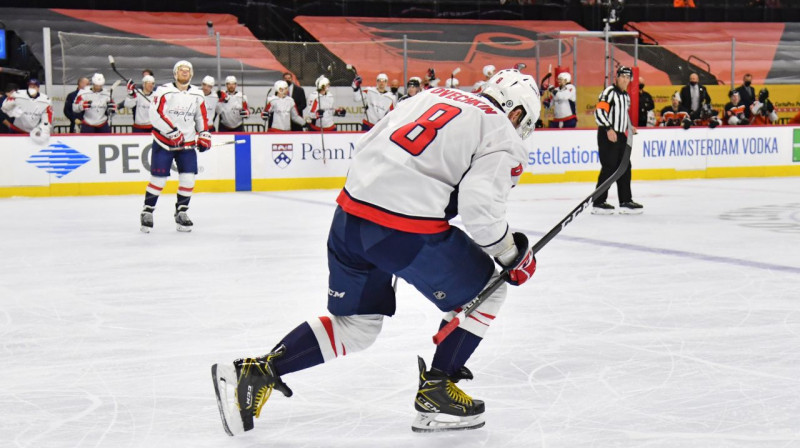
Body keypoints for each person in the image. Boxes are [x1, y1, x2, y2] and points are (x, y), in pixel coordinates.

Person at [211, 68, 541, 436]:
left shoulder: (426, 97)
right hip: (404, 230)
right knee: (488, 292)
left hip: (349, 217)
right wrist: (513, 256)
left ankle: (256, 372)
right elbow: (480, 208)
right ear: (516, 112)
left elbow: (367, 144)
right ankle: (437, 390)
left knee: (357, 326)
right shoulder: (502, 133)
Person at [139, 60, 211, 233]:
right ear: (175, 73)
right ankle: (147, 211)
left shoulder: (197, 94)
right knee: (159, 180)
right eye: (181, 70)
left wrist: (204, 134)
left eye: (188, 70)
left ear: (191, 74)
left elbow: (201, 117)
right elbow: (155, 114)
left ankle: (181, 213)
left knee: (188, 179)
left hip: (186, 144)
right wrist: (171, 132)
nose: (185, 73)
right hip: (164, 143)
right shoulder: (164, 91)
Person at [593, 66, 642, 215]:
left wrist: (629, 126)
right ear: (617, 77)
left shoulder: (625, 96)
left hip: (620, 135)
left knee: (625, 167)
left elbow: (623, 115)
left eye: (628, 78)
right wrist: (608, 129)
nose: (625, 80)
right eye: (623, 77)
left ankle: (625, 201)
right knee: (609, 167)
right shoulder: (609, 92)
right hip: (608, 133)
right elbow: (600, 112)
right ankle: (599, 202)